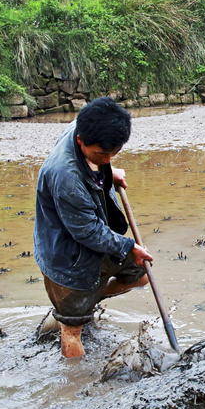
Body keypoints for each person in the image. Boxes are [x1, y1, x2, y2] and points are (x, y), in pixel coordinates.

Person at [33, 97, 153, 358]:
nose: (108, 158)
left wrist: (109, 169)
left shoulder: (85, 125)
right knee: (72, 331)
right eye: (101, 154)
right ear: (80, 140)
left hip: (94, 245)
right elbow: (87, 231)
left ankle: (88, 301)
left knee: (141, 273)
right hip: (67, 258)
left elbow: (100, 155)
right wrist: (127, 245)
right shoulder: (66, 177)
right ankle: (76, 385)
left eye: (114, 152)